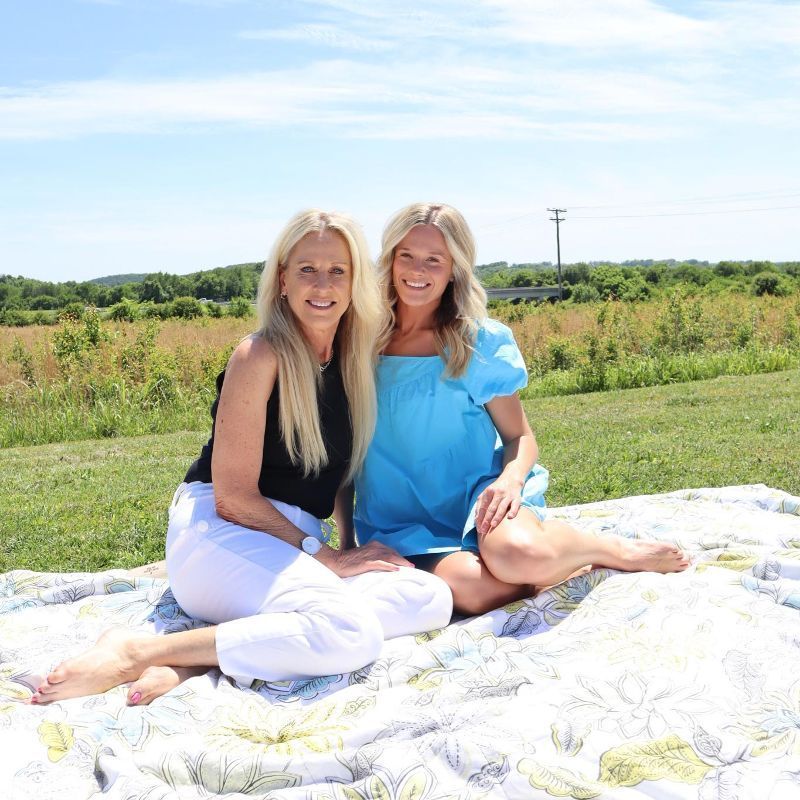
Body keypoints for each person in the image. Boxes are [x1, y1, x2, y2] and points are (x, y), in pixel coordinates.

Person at [30, 209, 452, 706]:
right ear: (282, 280)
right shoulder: (260, 354)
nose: (323, 284)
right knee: (349, 631)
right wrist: (329, 558)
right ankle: (137, 652)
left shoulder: (352, 359)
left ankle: (195, 657)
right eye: (306, 269)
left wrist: (350, 549)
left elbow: (340, 474)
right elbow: (233, 497)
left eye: (338, 270)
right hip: (221, 533)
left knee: (429, 598)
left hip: (293, 543)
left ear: (355, 280)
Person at [353, 202, 689, 617]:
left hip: (483, 496)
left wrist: (510, 483)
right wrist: (348, 544)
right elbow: (344, 452)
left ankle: (605, 548)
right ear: (389, 258)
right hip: (401, 520)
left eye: (434, 260)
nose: (417, 270)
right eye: (407, 255)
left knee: (519, 557)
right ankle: (549, 558)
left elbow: (520, 437)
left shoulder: (478, 342)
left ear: (455, 267)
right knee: (478, 594)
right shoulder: (360, 342)